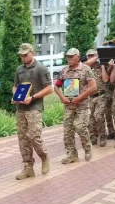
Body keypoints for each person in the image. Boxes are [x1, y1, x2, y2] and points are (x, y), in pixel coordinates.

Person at [13, 43, 53, 180]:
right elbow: (15, 86)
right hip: (21, 108)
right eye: (21, 55)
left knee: (34, 136)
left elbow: (49, 88)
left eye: (25, 54)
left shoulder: (41, 69)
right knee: (23, 139)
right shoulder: (19, 69)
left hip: (35, 107)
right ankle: (28, 168)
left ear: (32, 52)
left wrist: (33, 97)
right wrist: (16, 96)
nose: (23, 57)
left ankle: (44, 156)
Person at [54, 48, 96, 162]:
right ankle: (72, 154)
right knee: (67, 131)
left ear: (78, 57)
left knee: (80, 127)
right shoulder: (64, 71)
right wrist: (62, 97)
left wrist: (80, 98)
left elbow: (93, 87)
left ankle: (87, 149)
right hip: (69, 106)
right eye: (68, 56)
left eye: (72, 56)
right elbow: (56, 86)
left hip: (82, 105)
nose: (69, 59)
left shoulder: (86, 69)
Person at [85, 49, 109, 147]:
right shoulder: (85, 68)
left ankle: (102, 136)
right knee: (90, 118)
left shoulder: (101, 66)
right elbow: (87, 63)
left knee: (98, 116)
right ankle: (93, 137)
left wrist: (102, 65)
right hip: (89, 97)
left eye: (92, 55)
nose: (91, 58)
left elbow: (106, 79)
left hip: (101, 95)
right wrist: (97, 55)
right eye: (89, 56)